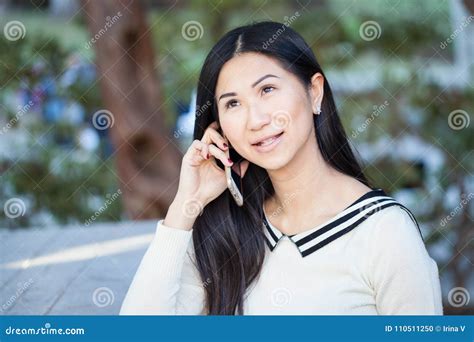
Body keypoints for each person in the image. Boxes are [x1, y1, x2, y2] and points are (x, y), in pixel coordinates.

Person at [120, 21, 443, 315]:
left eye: (267, 90)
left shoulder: (384, 231)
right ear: (218, 126)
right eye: (233, 103)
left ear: (314, 92)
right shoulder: (225, 231)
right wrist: (186, 205)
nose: (256, 120)